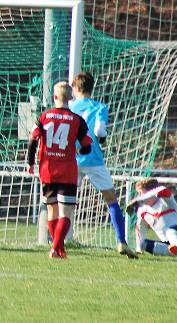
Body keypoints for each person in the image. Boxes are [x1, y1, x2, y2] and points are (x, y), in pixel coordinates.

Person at [69, 72, 138, 259]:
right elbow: (99, 131)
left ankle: (60, 239)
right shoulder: (100, 107)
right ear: (92, 88)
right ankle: (121, 242)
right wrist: (103, 139)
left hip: (71, 159)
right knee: (111, 200)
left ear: (75, 89)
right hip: (93, 158)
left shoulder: (69, 107)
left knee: (66, 200)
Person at [27, 81, 92, 258]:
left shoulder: (44, 116)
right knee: (66, 212)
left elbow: (32, 139)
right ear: (70, 98)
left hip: (47, 170)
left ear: (54, 97)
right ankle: (56, 248)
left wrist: (30, 162)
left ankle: (58, 248)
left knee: (51, 210)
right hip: (67, 172)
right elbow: (87, 146)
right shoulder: (78, 121)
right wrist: (78, 150)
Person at [126, 178, 177, 260]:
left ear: (152, 192)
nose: (139, 196)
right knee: (143, 244)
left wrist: (139, 200)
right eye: (138, 194)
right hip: (169, 243)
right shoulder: (142, 211)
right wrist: (139, 250)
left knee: (170, 230)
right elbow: (140, 228)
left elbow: (162, 189)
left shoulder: (166, 200)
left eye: (141, 193)